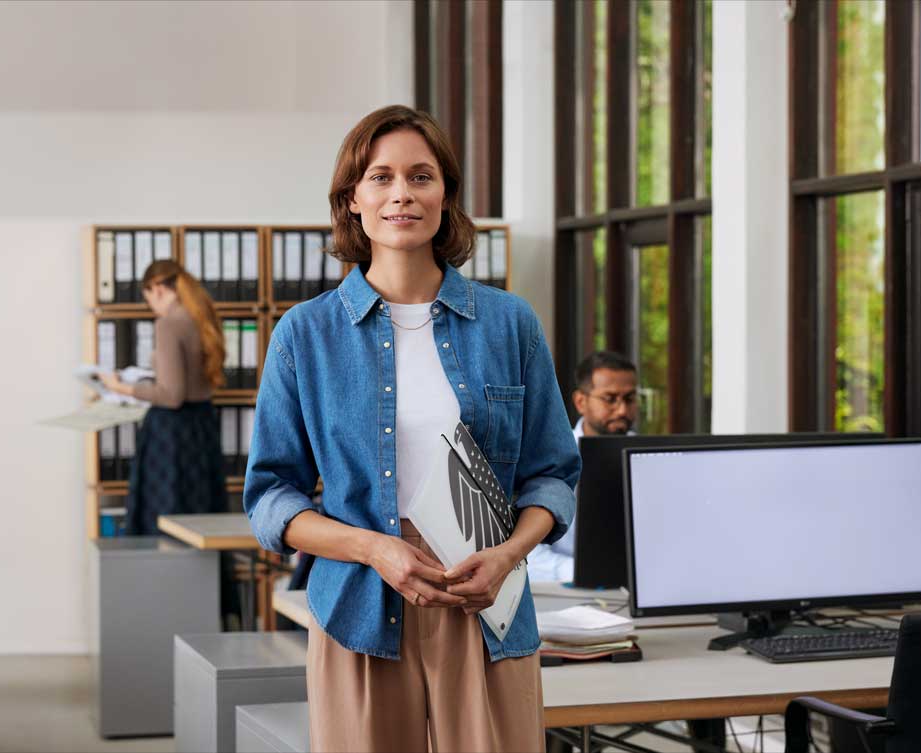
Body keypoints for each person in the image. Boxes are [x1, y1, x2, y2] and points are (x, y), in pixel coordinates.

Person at [244, 104, 580, 753]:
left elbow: (553, 475)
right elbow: (271, 498)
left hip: (485, 601)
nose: (402, 193)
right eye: (381, 177)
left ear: (446, 196)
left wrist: (509, 554)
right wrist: (377, 549)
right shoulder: (304, 337)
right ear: (353, 200)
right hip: (361, 605)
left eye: (422, 176)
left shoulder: (510, 324)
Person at [101, 260, 229, 535]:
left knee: (165, 524)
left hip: (171, 436)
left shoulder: (169, 323)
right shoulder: (201, 317)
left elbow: (171, 396)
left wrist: (120, 387)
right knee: (198, 522)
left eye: (147, 297)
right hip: (201, 429)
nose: (150, 305)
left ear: (157, 288)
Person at [525, 350, 639, 583]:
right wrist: (587, 573)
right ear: (581, 401)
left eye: (629, 399)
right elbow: (529, 555)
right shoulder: (552, 459)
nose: (622, 410)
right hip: (564, 592)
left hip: (641, 588)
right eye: (610, 399)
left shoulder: (647, 459)